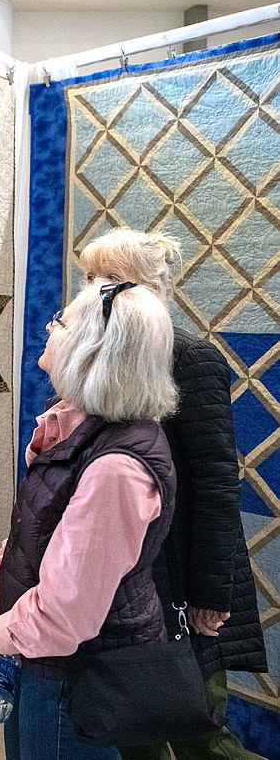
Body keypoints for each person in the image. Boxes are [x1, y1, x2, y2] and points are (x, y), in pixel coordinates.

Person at [0, 279, 179, 759]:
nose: (48, 327)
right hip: (43, 662)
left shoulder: (117, 467)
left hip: (76, 678)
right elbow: (28, 540)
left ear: (92, 350)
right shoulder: (76, 426)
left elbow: (66, 611)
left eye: (61, 321)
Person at [80, 229, 267, 760]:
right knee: (131, 720)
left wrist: (213, 594)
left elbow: (215, 488)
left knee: (198, 728)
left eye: (111, 279)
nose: (97, 290)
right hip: (126, 574)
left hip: (183, 572)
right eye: (91, 277)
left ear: (152, 287)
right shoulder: (94, 357)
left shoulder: (191, 359)